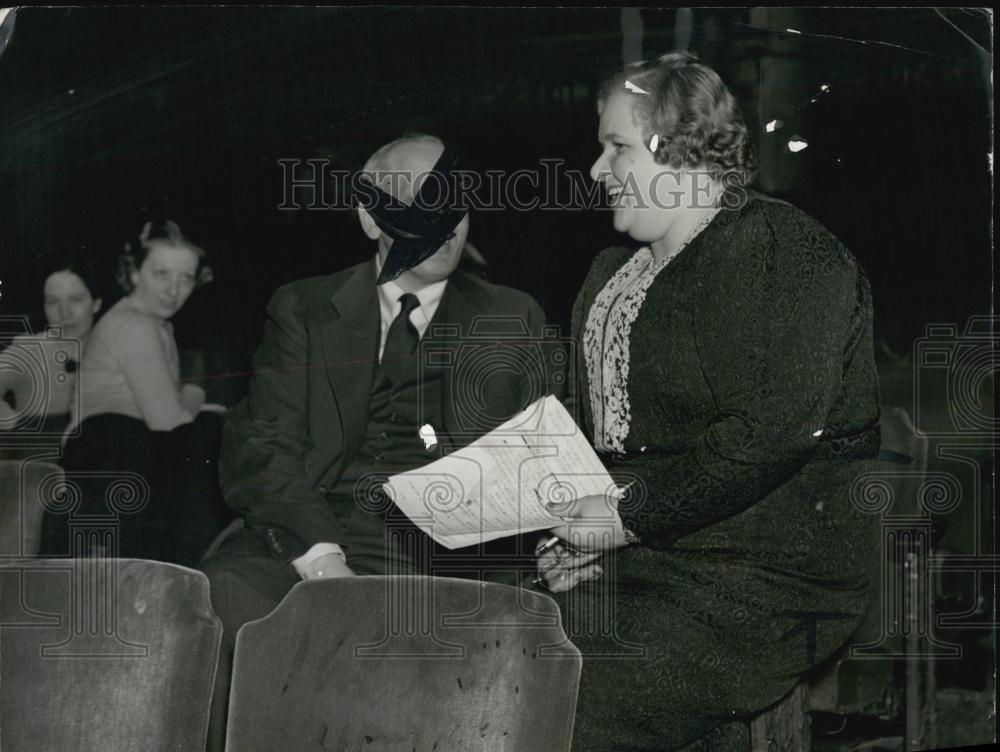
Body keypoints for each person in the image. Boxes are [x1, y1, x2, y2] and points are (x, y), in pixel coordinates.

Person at [534, 52, 881, 751]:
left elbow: (772, 432)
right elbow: (597, 439)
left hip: (765, 579)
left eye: (616, 147)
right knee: (484, 656)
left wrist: (626, 519)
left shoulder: (791, 254)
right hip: (645, 563)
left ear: (683, 149)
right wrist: (574, 533)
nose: (598, 171)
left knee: (572, 695)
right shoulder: (610, 274)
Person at [200, 134, 558, 751]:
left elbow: (543, 461)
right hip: (311, 535)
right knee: (223, 602)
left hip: (439, 553)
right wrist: (322, 561)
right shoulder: (304, 308)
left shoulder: (512, 315)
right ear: (370, 216)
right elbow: (260, 448)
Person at [39, 220, 229, 567]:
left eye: (185, 277)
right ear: (135, 272)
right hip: (109, 452)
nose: (173, 290)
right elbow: (169, 424)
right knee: (209, 434)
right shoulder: (135, 325)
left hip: (130, 451)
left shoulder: (156, 324)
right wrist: (197, 391)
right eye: (161, 273)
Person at [0, 259, 103, 438]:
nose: (64, 313)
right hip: (41, 462)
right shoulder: (29, 350)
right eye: (53, 301)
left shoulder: (119, 349)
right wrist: (13, 426)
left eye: (76, 300)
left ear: (96, 303)